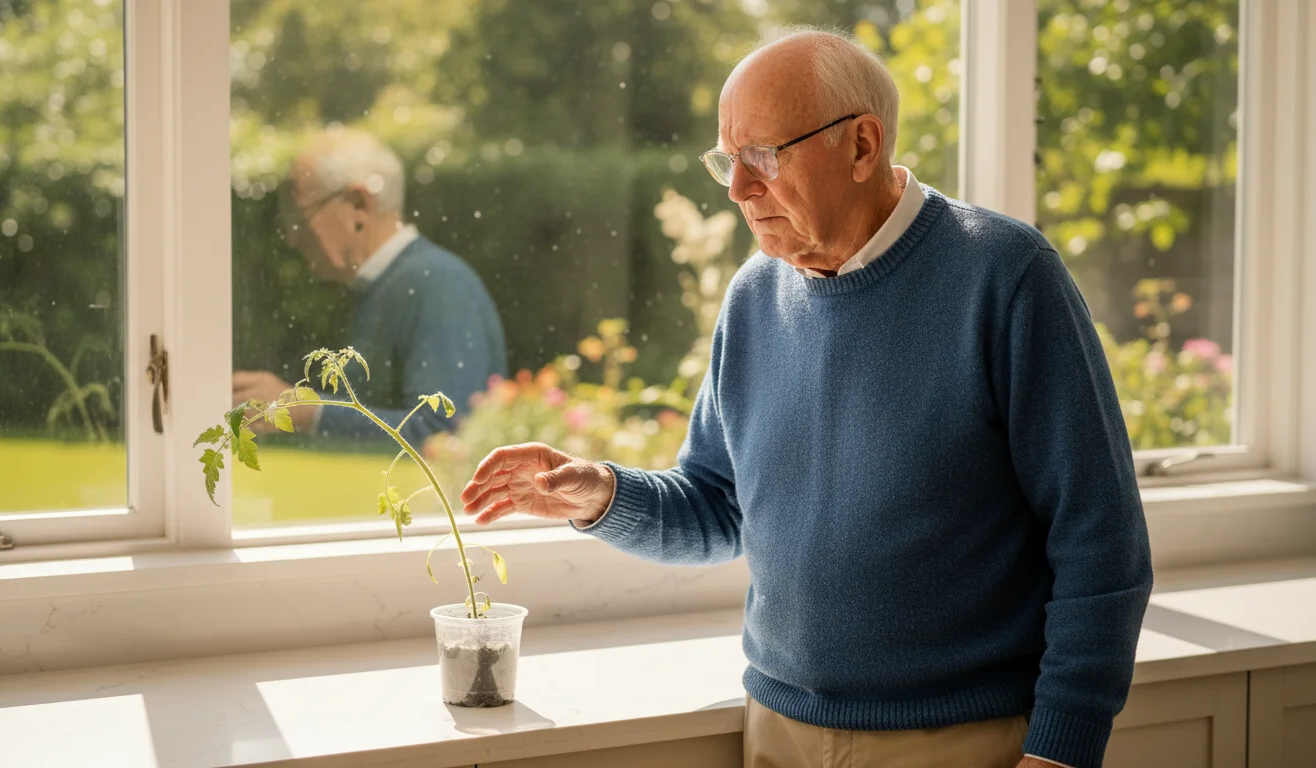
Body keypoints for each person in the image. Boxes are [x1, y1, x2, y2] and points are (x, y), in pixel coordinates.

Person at [459, 28, 1151, 768]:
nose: (737, 189)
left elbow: (1101, 543)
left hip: (961, 739)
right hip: (777, 729)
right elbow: (720, 506)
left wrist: (1061, 752)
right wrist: (600, 496)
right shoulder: (754, 296)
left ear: (861, 145)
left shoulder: (1006, 277)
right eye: (727, 160)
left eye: (762, 156)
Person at [234, 128, 507, 446]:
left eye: (299, 215)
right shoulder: (392, 285)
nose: (292, 237)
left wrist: (305, 412)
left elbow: (445, 433)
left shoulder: (438, 284)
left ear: (358, 205)